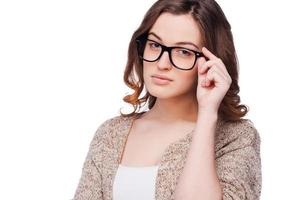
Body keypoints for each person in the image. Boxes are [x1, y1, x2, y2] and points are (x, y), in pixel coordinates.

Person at [73, 0, 262, 199]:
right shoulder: (110, 134)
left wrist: (207, 115)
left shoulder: (238, 137)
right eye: (155, 45)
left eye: (184, 52)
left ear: (211, 61)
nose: (162, 64)